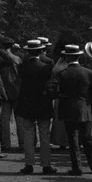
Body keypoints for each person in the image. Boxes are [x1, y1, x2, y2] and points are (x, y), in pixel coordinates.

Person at [49, 44, 92, 176]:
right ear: (79, 56)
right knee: (88, 139)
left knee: (73, 140)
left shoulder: (62, 73)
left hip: (68, 107)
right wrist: (91, 95)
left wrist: (60, 96)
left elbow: (50, 89)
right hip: (84, 107)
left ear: (67, 57)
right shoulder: (87, 72)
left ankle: (77, 167)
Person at [15, 40, 57, 175]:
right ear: (40, 51)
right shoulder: (47, 67)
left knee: (28, 135)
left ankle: (29, 164)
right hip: (43, 103)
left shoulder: (22, 67)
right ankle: (46, 164)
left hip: (27, 104)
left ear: (28, 51)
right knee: (45, 135)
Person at [0, 37, 22, 152]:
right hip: (17, 92)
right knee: (19, 120)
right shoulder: (17, 58)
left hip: (4, 92)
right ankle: (22, 143)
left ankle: (5, 144)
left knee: (4, 120)